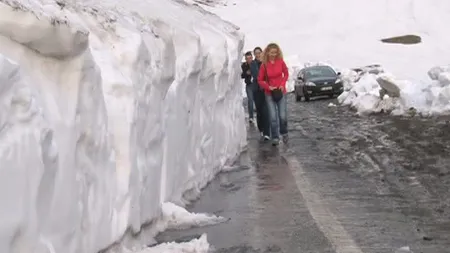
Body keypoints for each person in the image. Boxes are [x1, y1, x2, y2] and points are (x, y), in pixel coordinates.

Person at [257, 43, 289, 146]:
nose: (273, 55)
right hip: (269, 93)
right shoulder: (264, 65)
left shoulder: (280, 62)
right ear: (267, 52)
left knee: (282, 116)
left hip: (281, 92)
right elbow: (260, 80)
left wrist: (282, 84)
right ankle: (275, 137)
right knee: (273, 117)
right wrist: (268, 87)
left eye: (275, 52)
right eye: (272, 53)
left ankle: (284, 132)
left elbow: (286, 73)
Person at [250, 47, 270, 141]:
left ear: (262, 53)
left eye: (259, 53)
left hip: (265, 90)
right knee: (259, 111)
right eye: (256, 53)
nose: (258, 55)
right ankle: (261, 128)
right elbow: (256, 74)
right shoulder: (253, 64)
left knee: (266, 111)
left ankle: (267, 133)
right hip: (257, 90)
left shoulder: (266, 62)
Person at [241, 51, 255, 123]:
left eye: (250, 58)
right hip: (249, 85)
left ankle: (260, 115)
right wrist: (246, 73)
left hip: (256, 85)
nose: (249, 60)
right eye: (247, 58)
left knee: (258, 101)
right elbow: (241, 75)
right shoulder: (244, 65)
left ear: (252, 58)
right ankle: (251, 117)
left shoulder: (255, 64)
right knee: (250, 101)